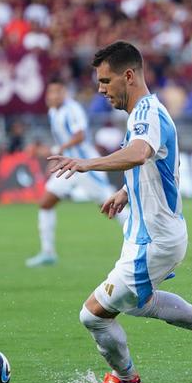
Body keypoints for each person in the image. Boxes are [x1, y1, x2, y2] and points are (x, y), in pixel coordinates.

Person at [46, 41, 192, 383]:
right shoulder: (147, 113)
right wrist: (126, 193)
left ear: (129, 75)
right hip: (151, 233)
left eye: (106, 82)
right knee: (141, 304)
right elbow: (162, 161)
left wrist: (86, 163)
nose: (101, 90)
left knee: (92, 315)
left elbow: (138, 153)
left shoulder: (146, 114)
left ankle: (126, 379)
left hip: (153, 239)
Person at [26, 80, 126, 268]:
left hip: (85, 167)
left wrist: (58, 149)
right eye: (50, 92)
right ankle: (48, 253)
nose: (53, 96)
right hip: (67, 166)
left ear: (64, 93)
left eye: (57, 92)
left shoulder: (73, 109)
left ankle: (142, 239)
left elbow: (80, 135)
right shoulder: (53, 112)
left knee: (110, 205)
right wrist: (59, 157)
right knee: (46, 202)